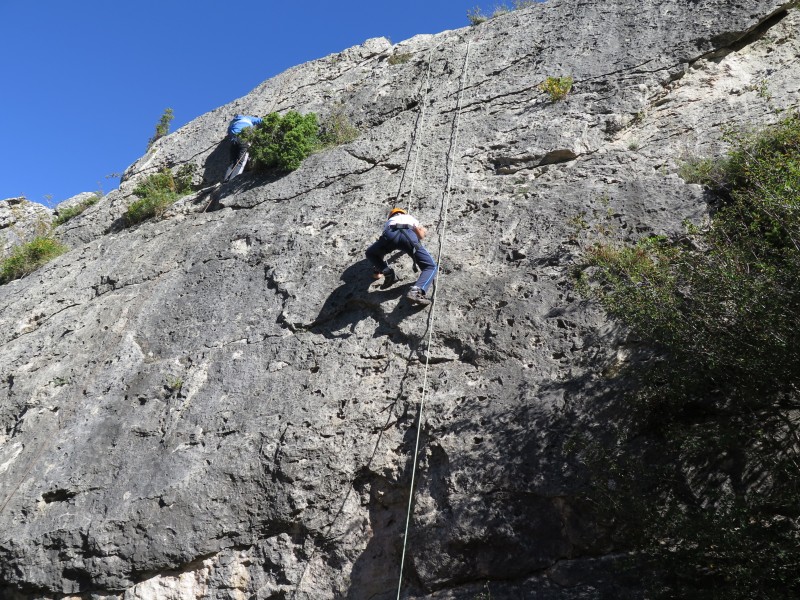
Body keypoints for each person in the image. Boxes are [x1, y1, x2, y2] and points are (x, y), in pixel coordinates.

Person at [366, 208, 437, 306]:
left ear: (390, 216)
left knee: (370, 253)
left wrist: (379, 270)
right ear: (403, 213)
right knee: (430, 267)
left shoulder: (389, 222)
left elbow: (381, 252)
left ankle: (387, 272)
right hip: (408, 235)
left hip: (390, 234)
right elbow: (420, 236)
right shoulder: (408, 217)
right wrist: (424, 231)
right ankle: (416, 291)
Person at [224, 114, 262, 181]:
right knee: (241, 161)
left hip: (233, 141)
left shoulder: (232, 122)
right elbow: (260, 120)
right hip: (243, 139)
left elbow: (229, 132)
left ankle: (226, 179)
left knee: (232, 162)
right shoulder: (248, 118)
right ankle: (233, 180)